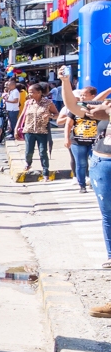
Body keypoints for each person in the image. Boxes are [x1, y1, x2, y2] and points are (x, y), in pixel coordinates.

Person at [57, 67, 111, 279]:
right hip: (102, 163)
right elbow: (72, 106)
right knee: (108, 214)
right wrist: (65, 81)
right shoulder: (104, 106)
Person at [15, 82, 56, 179]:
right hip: (28, 130)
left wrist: (50, 115)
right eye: (29, 92)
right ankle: (28, 163)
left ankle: (45, 171)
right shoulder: (28, 102)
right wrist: (16, 128)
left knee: (43, 152)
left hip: (42, 131)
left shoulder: (48, 103)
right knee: (29, 150)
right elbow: (22, 116)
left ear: (39, 92)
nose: (29, 94)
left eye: (31, 92)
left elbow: (57, 114)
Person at [61, 89, 98, 194]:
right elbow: (68, 124)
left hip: (94, 142)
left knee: (95, 163)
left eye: (84, 95)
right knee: (81, 164)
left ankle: (95, 183)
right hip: (78, 142)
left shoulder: (97, 108)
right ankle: (82, 185)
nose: (82, 97)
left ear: (92, 96)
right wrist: (66, 138)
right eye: (81, 95)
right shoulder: (75, 109)